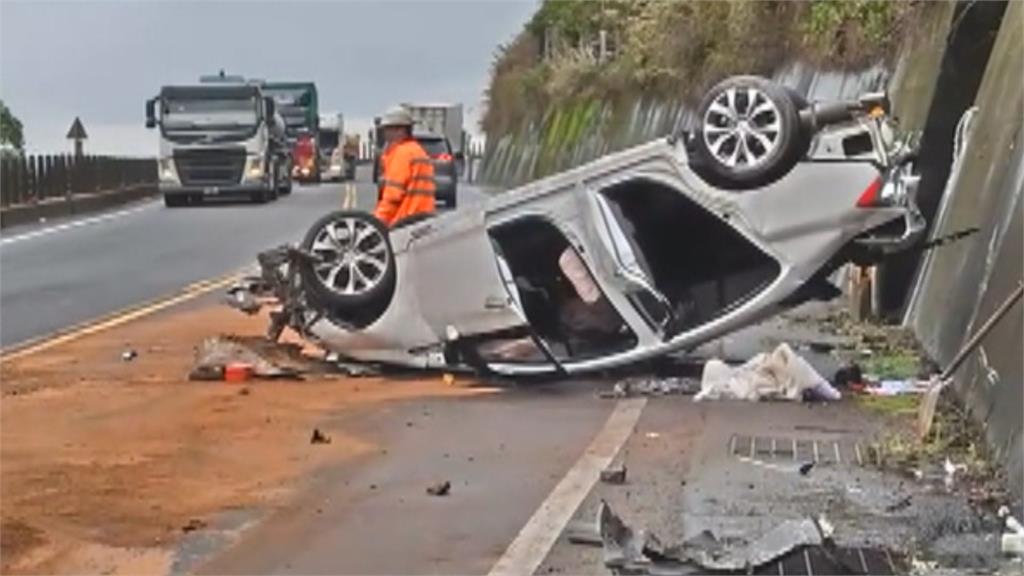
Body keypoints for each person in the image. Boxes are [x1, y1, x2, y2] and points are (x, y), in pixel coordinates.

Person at [373, 106, 436, 226]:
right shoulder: (417, 150)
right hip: (423, 219)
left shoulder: (402, 154)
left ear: (400, 130)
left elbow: (393, 196)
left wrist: (375, 225)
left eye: (388, 129)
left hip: (406, 221)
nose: (385, 133)